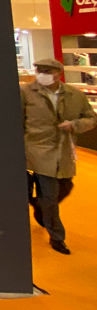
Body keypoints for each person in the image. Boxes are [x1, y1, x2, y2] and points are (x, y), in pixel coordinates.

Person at [21, 58, 96, 254]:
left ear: (58, 74)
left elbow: (90, 118)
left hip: (64, 151)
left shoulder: (74, 95)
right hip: (37, 149)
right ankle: (57, 237)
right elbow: (18, 121)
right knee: (50, 195)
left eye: (47, 71)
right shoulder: (26, 92)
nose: (42, 74)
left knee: (66, 186)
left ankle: (39, 206)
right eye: (39, 70)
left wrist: (75, 125)